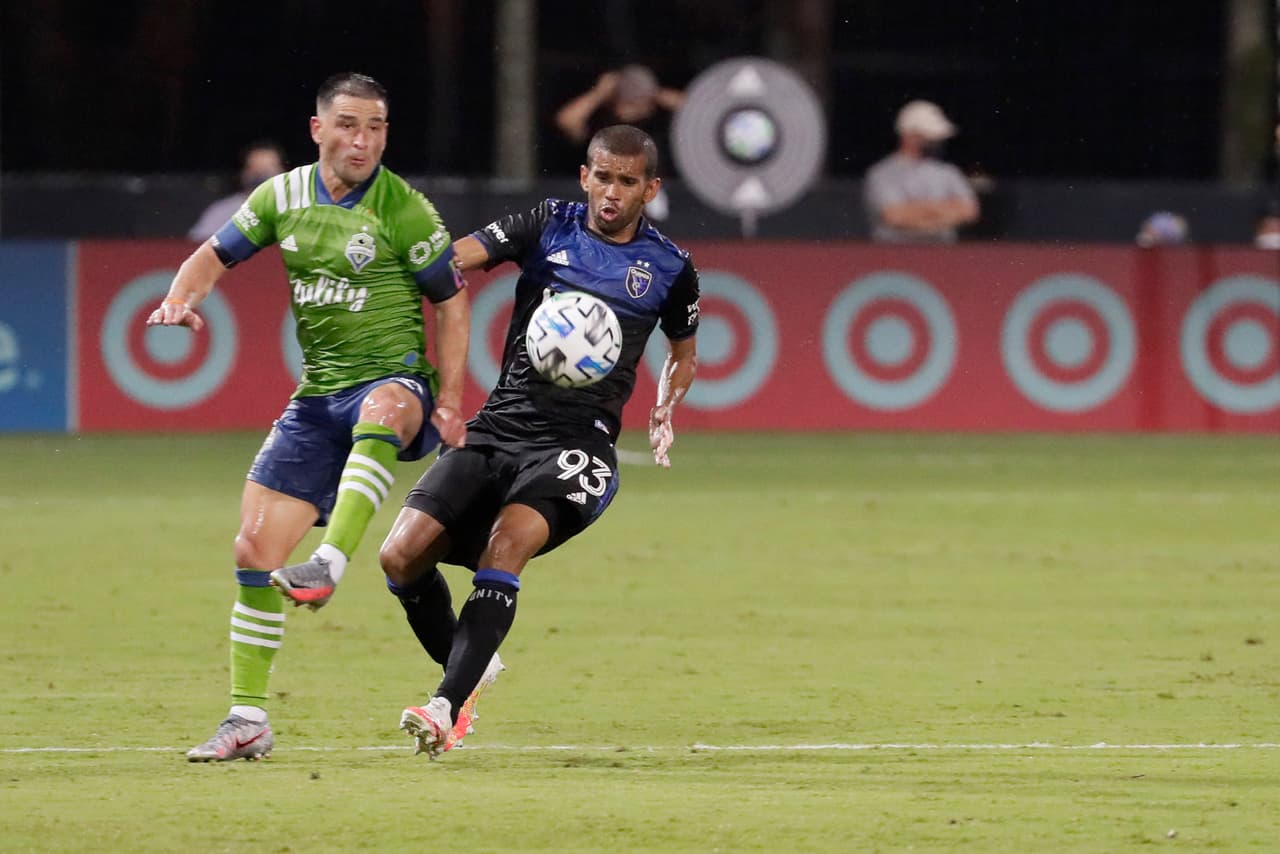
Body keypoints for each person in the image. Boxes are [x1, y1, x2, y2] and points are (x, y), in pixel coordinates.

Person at [274, 124, 701, 758]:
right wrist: (386, 270)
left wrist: (666, 402)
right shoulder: (547, 224)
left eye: (628, 181)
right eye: (603, 177)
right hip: (499, 428)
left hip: (576, 446)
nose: (612, 193)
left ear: (651, 189)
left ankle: (446, 707)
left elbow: (683, 353)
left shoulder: (669, 268)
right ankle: (471, 667)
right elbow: (450, 259)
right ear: (585, 176)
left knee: (506, 547)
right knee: (399, 558)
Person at [148, 72, 472, 762]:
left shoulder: (404, 210)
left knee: (384, 407)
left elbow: (450, 299)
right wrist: (183, 299)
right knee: (253, 551)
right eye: (350, 125)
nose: (364, 140)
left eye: (377, 127)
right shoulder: (281, 196)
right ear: (318, 129)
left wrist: (446, 397)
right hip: (320, 396)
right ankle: (247, 719)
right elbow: (213, 256)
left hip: (395, 383)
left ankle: (327, 562)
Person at [555, 65, 685, 220]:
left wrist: (653, 92)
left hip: (657, 204)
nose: (633, 109)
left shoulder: (658, 120)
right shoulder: (601, 122)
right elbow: (566, 121)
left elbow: (698, 111)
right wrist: (598, 93)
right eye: (627, 101)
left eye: (639, 102)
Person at [864, 99, 980, 243]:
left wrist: (918, 211)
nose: (936, 141)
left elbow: (969, 211)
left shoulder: (947, 172)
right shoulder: (882, 174)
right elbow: (894, 216)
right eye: (928, 136)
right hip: (895, 253)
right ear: (909, 135)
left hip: (943, 253)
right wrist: (944, 212)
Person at [187, 140, 287, 242]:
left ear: (283, 171)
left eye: (268, 169)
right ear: (243, 173)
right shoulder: (222, 211)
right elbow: (195, 247)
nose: (260, 175)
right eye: (254, 168)